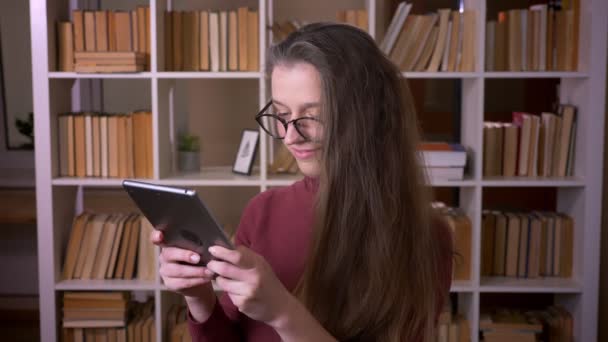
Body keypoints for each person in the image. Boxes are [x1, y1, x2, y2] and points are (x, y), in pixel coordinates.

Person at [152, 22, 453, 342]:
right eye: (281, 115)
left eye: (312, 116)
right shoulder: (263, 211)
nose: (290, 136)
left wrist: (282, 311)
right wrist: (198, 296)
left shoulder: (426, 236)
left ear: (364, 116)